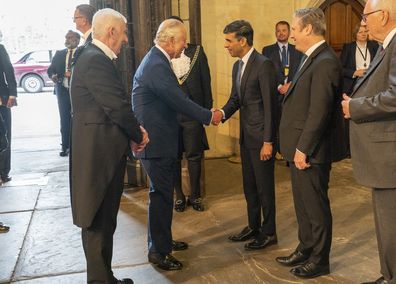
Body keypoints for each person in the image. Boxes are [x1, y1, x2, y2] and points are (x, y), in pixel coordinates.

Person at [132, 19, 222, 271]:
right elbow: (179, 100)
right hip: (155, 142)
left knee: (161, 197)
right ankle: (158, 253)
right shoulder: (156, 65)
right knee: (160, 197)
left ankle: (164, 241)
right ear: (170, 40)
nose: (185, 46)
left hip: (160, 140)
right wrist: (209, 115)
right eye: (182, 41)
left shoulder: (158, 60)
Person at [70, 8, 148, 284]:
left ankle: (105, 278)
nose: (126, 39)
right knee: (97, 222)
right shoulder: (95, 59)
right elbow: (116, 105)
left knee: (103, 221)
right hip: (97, 155)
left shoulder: (93, 57)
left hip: (99, 151)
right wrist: (138, 133)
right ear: (111, 32)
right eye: (124, 32)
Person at [276, 8, 346, 278]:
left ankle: (319, 260)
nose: (291, 33)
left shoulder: (326, 60)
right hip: (299, 147)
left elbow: (319, 111)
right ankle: (305, 248)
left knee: (315, 207)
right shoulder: (309, 57)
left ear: (307, 29)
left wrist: (303, 148)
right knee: (303, 203)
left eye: (294, 28)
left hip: (311, 150)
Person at [341, 0, 396, 283]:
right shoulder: (387, 45)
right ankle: (388, 274)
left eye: (366, 16)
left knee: (391, 225)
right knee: (386, 225)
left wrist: (356, 107)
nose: (363, 23)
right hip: (382, 155)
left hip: (389, 157)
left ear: (383, 15)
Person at [218, 20, 277, 251]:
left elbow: (271, 107)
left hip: (262, 139)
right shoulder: (237, 66)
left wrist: (268, 142)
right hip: (246, 137)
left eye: (229, 40)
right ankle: (254, 227)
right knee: (250, 187)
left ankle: (269, 231)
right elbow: (236, 100)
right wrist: (220, 114)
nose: (226, 46)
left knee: (264, 188)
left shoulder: (264, 65)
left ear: (243, 41)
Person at [168, 16, 213, 212]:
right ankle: (179, 196)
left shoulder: (197, 51)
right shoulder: (163, 55)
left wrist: (206, 111)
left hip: (193, 115)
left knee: (194, 156)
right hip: (170, 116)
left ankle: (195, 195)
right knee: (175, 157)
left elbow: (206, 81)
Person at [262, 21, 303, 161]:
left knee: (291, 126)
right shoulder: (267, 50)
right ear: (275, 33)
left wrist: (290, 85)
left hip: (293, 94)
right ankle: (276, 151)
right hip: (276, 94)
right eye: (278, 30)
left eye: (284, 30)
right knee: (276, 124)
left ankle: (290, 154)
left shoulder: (297, 49)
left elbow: (301, 70)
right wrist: (279, 86)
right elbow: (266, 73)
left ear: (289, 32)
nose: (281, 33)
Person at [47, 30, 80, 157]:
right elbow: (50, 70)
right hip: (63, 91)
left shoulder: (82, 52)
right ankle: (65, 146)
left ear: (77, 39)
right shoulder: (60, 53)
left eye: (70, 37)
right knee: (64, 118)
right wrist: (54, 75)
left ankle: (78, 145)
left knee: (78, 118)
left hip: (78, 92)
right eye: (66, 37)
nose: (67, 39)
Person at [340, 24, 379, 95]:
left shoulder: (375, 46)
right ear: (355, 34)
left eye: (365, 31)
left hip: (371, 82)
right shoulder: (348, 48)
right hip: (353, 83)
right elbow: (340, 69)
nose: (363, 34)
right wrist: (355, 72)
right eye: (360, 32)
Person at [0, 43, 17, 183]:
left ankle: (3, 172)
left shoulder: (0, 48)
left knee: (4, 136)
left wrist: (12, 94)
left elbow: (8, 70)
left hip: (2, 99)